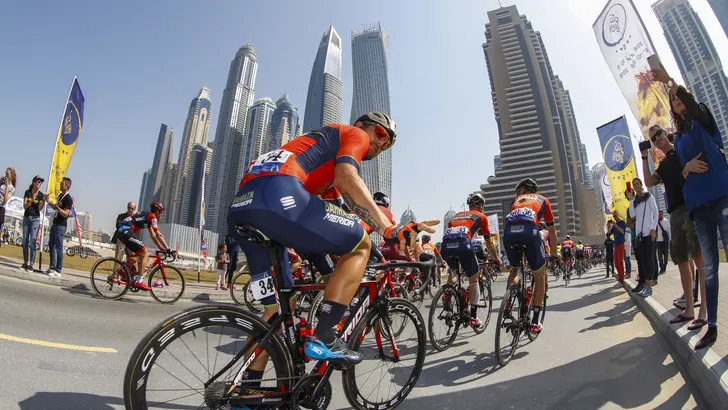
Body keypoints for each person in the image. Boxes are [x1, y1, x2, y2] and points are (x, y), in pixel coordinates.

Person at [228, 112, 400, 366]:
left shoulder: (320, 160)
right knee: (360, 246)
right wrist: (387, 230)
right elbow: (347, 177)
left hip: (241, 208)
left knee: (275, 313)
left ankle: (248, 384)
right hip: (280, 196)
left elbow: (337, 220)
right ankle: (324, 337)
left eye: (386, 145)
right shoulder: (355, 134)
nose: (380, 143)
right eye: (381, 134)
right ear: (362, 125)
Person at [652, 65, 728, 349]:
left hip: (721, 195)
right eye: (673, 100)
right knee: (709, 268)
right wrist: (686, 169)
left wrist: (670, 82)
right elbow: (681, 168)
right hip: (698, 205)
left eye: (679, 97)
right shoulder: (680, 137)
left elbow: (693, 108)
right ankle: (712, 326)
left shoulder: (701, 117)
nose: (677, 100)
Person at [503, 178, 558, 334]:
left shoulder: (515, 201)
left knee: (515, 270)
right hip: (530, 234)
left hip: (509, 235)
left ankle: (508, 304)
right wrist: (554, 253)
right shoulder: (543, 200)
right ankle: (535, 321)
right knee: (540, 277)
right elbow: (552, 232)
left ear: (522, 190)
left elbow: (507, 224)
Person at [440, 193, 500, 328]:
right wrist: (496, 258)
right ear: (481, 206)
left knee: (454, 272)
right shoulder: (481, 217)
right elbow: (489, 243)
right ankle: (473, 316)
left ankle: (447, 294)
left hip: (445, 247)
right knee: (474, 280)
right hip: (463, 245)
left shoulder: (456, 216)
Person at [116, 201, 172, 291]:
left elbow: (153, 236)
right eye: (161, 212)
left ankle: (123, 270)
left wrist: (162, 248)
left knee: (139, 255)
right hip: (126, 230)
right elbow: (158, 234)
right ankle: (139, 281)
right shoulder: (152, 216)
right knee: (145, 253)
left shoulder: (147, 217)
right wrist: (168, 249)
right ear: (157, 211)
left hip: (123, 231)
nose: (161, 215)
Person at [629, 177, 659, 297]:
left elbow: (655, 212)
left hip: (649, 232)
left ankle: (649, 287)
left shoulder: (648, 197)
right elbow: (632, 215)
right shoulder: (634, 201)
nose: (636, 186)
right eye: (634, 184)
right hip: (640, 235)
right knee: (643, 261)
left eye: (637, 183)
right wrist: (630, 200)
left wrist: (653, 228)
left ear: (641, 185)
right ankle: (646, 285)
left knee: (649, 259)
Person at [45, 177, 73, 277]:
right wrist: (48, 200)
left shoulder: (68, 199)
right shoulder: (61, 195)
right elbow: (55, 207)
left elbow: (66, 213)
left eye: (62, 183)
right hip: (55, 222)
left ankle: (58, 270)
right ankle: (52, 267)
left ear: (67, 186)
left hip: (61, 225)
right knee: (51, 245)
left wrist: (57, 208)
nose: (60, 184)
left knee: (59, 247)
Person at [21, 176, 45, 270]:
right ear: (34, 182)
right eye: (38, 182)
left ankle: (31, 263)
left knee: (33, 240)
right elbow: (24, 206)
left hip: (35, 219)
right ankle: (25, 262)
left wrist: (43, 201)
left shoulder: (40, 195)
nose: (40, 184)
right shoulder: (28, 192)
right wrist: (30, 201)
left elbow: (39, 208)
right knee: (25, 240)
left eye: (41, 182)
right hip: (27, 218)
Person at [0, 167, 17, 251]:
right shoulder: (1, 182)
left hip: (1, 208)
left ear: (12, 176)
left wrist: (6, 186)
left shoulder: (12, 188)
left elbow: (6, 200)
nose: (6, 175)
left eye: (8, 174)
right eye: (5, 173)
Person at [607, 212, 627, 284]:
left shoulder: (622, 223)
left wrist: (615, 224)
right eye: (614, 216)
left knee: (620, 262)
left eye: (615, 216)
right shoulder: (614, 226)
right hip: (615, 245)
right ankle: (620, 278)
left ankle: (621, 280)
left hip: (621, 244)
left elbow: (622, 231)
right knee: (616, 263)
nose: (615, 217)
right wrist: (609, 226)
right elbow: (608, 234)